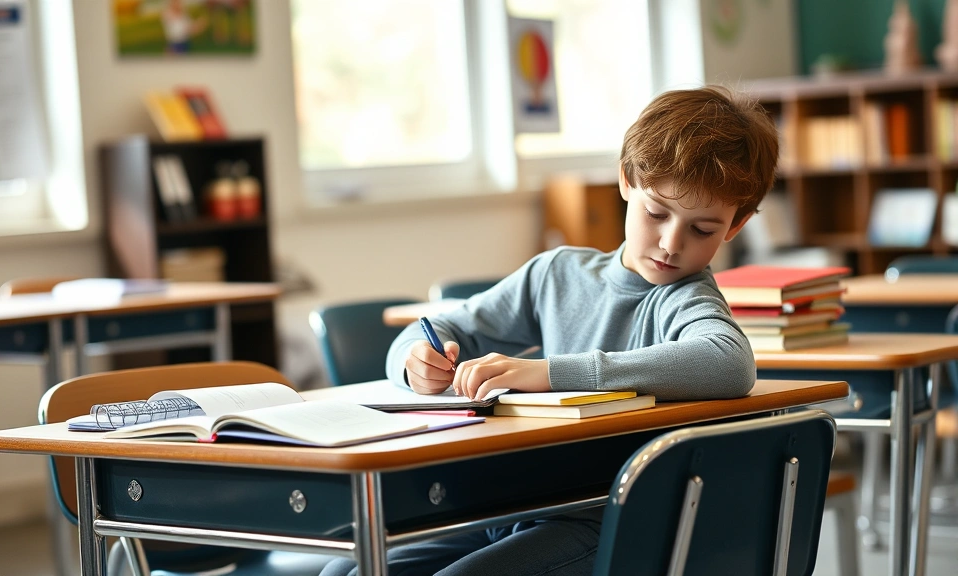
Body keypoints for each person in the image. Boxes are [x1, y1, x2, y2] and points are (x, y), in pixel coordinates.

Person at [319, 84, 779, 576]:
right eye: (656, 213)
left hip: (601, 519)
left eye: (702, 229)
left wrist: (550, 373)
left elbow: (729, 362)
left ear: (737, 225)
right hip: (508, 506)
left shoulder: (685, 297)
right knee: (342, 573)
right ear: (626, 180)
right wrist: (415, 363)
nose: (671, 243)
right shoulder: (556, 274)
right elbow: (439, 326)